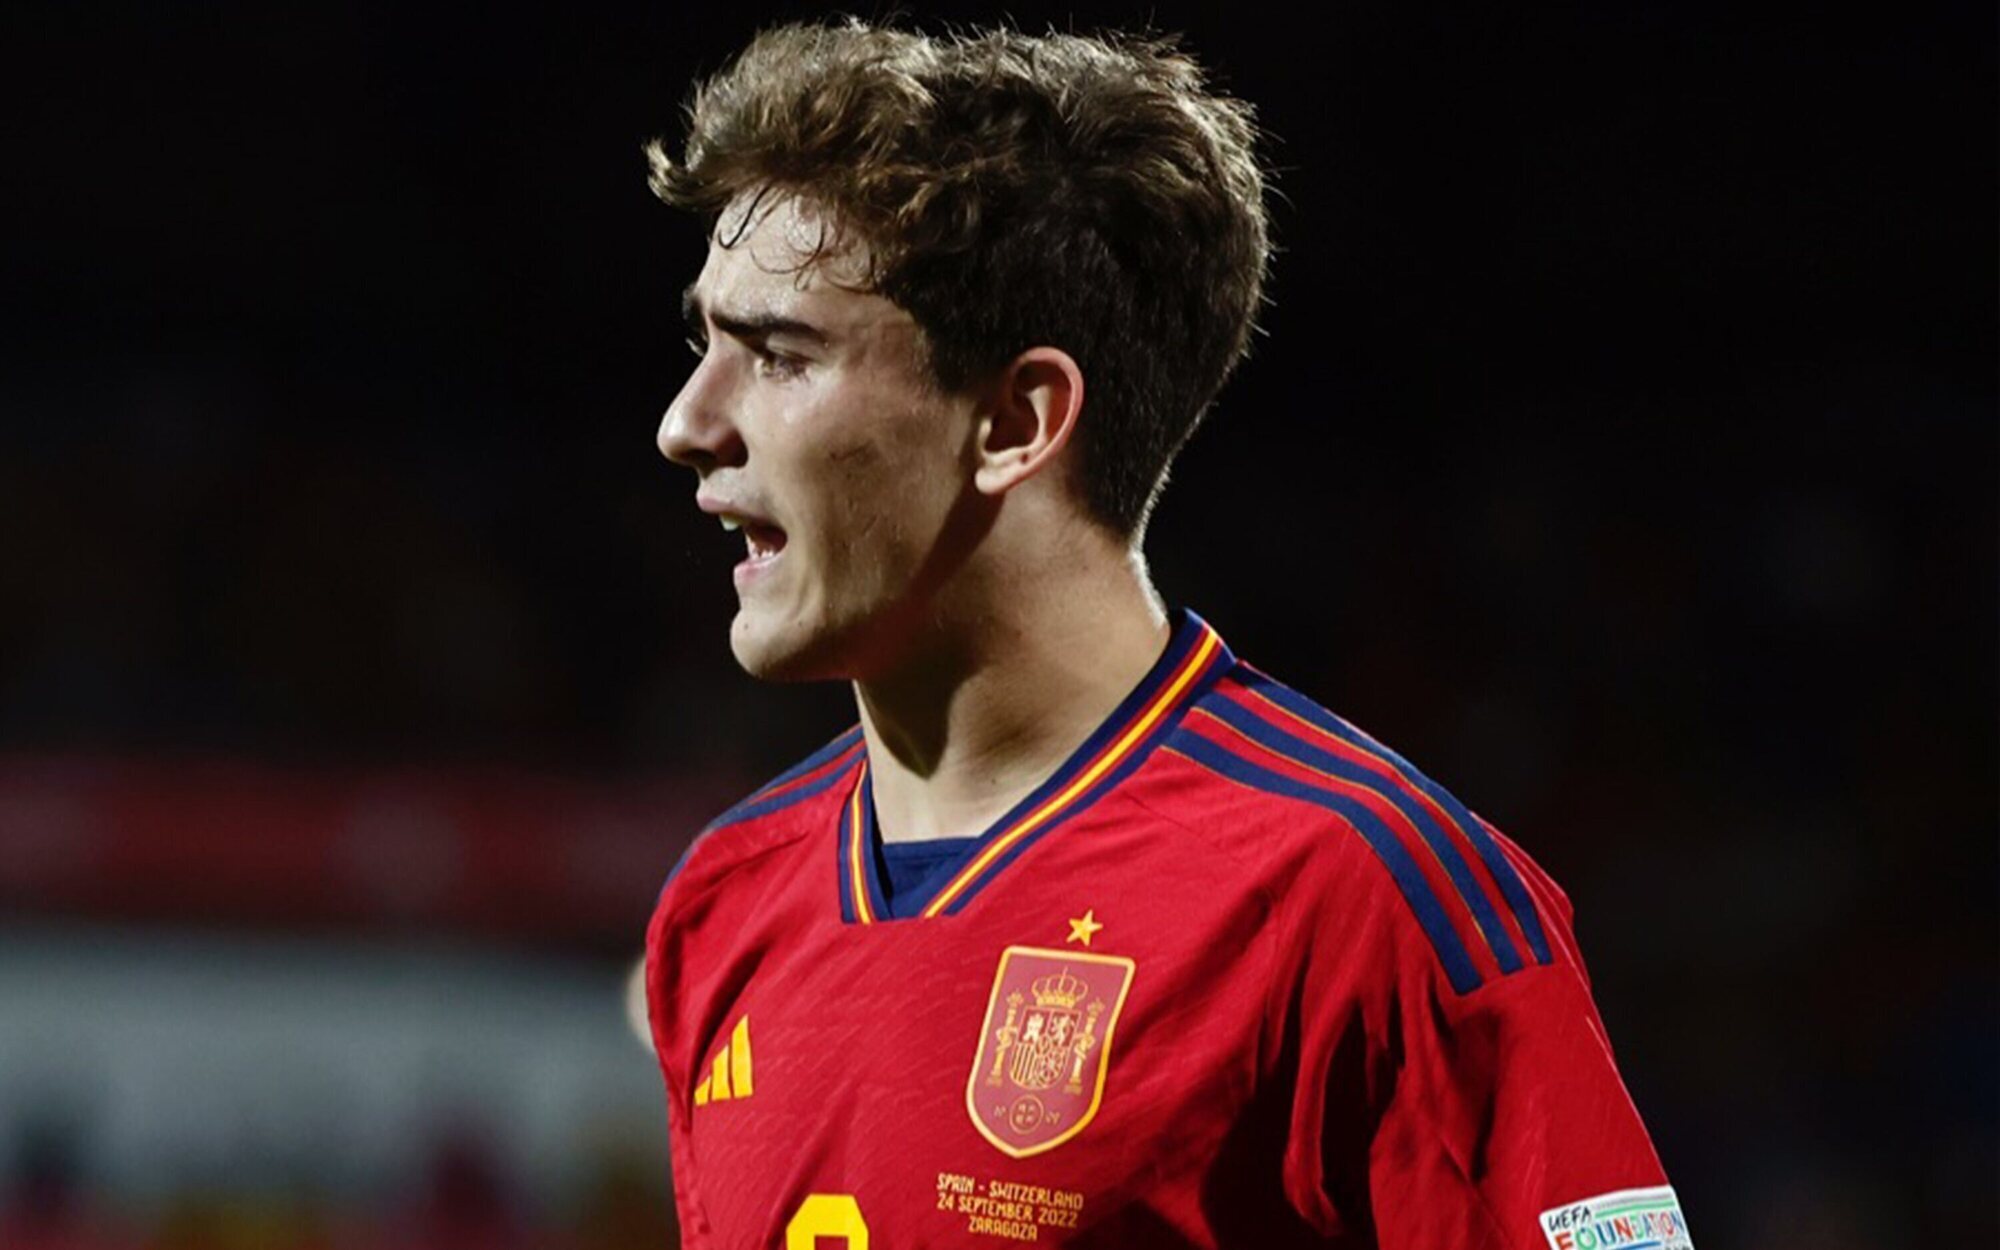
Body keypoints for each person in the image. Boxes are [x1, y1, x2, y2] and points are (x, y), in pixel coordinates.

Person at [642, 19, 1689, 1250]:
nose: (685, 423)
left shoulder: (1358, 895)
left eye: (777, 354)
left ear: (1015, 421)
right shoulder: (721, 903)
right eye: (704, 343)